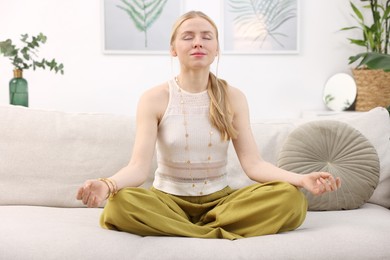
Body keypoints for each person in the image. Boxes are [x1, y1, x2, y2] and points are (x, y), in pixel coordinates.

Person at [76, 10, 341, 240]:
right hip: (166, 202)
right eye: (188, 36)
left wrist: (301, 180)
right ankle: (213, 232)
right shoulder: (154, 99)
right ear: (173, 48)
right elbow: (138, 168)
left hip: (221, 202)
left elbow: (254, 165)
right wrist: (107, 185)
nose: (197, 42)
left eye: (206, 36)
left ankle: (186, 230)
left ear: (216, 48)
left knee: (291, 199)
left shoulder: (234, 97)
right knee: (119, 205)